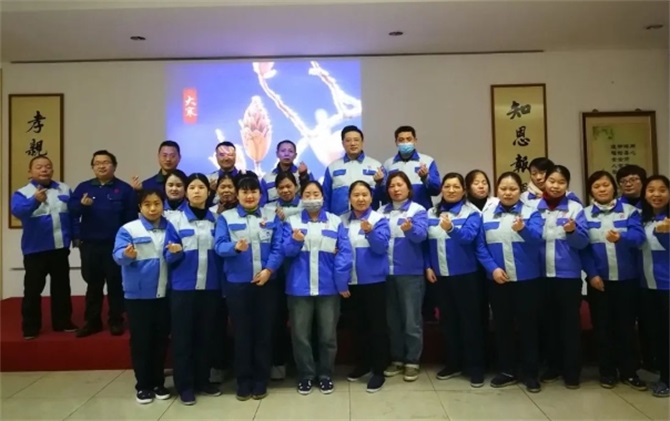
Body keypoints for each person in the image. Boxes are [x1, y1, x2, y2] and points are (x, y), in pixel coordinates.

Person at [215, 174, 284, 401]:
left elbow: (278, 247)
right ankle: (243, 380)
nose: (249, 195)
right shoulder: (226, 217)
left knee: (264, 333)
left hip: (266, 284)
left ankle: (261, 380)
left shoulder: (271, 215)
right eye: (244, 191)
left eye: (253, 191)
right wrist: (234, 247)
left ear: (261, 194)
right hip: (237, 285)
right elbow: (219, 246)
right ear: (237, 194)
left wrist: (269, 270)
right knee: (242, 334)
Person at [282, 180, 353, 395]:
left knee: (327, 336)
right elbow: (285, 252)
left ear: (323, 197)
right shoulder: (292, 221)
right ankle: (305, 375)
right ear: (301, 198)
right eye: (308, 194)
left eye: (316, 194)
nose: (312, 198)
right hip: (299, 288)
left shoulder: (334, 221)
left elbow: (344, 253)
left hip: (328, 288)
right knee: (300, 336)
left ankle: (325, 375)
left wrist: (341, 282)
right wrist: (295, 241)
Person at [476, 171, 544, 393]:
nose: (507, 193)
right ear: (497, 190)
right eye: (503, 189)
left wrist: (523, 229)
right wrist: (493, 269)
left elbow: (537, 240)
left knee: (528, 327)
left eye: (513, 189)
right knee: (502, 326)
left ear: (519, 191)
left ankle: (530, 373)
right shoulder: (486, 215)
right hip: (498, 281)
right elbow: (481, 247)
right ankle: (507, 370)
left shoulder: (531, 212)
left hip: (527, 280)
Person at [581, 170, 647, 390]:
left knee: (626, 328)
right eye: (597, 186)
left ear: (614, 188)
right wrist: (592, 275)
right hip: (599, 282)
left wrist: (622, 237)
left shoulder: (629, 211)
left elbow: (639, 238)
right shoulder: (585, 214)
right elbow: (584, 250)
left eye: (606, 185)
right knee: (602, 328)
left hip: (627, 280)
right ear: (591, 191)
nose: (602, 189)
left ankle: (629, 372)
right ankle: (607, 372)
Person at [164, 173, 223, 405]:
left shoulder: (217, 220)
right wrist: (174, 253)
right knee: (183, 338)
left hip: (210, 287)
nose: (197, 191)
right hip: (183, 288)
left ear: (209, 192)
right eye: (192, 188)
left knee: (206, 336)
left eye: (201, 187)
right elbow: (167, 256)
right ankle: (185, 386)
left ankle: (202, 380)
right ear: (186, 192)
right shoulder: (175, 220)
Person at [530, 165, 589, 389]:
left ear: (567, 185)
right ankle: (553, 366)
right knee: (548, 324)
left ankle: (572, 371)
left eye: (561, 182)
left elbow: (582, 243)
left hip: (567, 276)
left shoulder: (575, 207)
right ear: (544, 182)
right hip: (540, 275)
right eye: (552, 181)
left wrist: (572, 231)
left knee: (569, 325)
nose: (555, 186)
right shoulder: (533, 207)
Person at [112, 188, 171, 404]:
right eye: (147, 204)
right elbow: (118, 255)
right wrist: (126, 255)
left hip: (164, 293)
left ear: (163, 205)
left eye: (157, 204)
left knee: (161, 339)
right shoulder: (129, 229)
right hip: (138, 296)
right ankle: (143, 385)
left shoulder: (170, 227)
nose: (152, 208)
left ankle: (158, 382)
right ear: (140, 207)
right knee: (141, 341)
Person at [425, 173, 485, 387]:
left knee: (470, 323)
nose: (451, 190)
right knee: (448, 322)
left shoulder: (472, 213)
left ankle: (475, 367)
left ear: (464, 190)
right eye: (447, 186)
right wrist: (427, 266)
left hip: (465, 275)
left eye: (456, 187)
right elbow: (426, 243)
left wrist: (451, 229)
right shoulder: (431, 212)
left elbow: (468, 238)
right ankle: (453, 363)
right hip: (440, 276)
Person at [69, 150, 137, 338]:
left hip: (115, 245)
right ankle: (92, 322)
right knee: (93, 284)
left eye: (106, 162)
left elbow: (131, 219)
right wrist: (82, 206)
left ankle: (116, 320)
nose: (101, 166)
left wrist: (128, 243)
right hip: (90, 245)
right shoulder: (84, 187)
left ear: (114, 166)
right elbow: (72, 211)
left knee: (116, 284)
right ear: (92, 167)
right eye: (97, 163)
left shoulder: (124, 189)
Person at [11, 155, 78, 340]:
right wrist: (35, 200)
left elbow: (72, 215)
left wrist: (76, 236)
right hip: (35, 250)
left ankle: (63, 322)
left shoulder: (64, 188)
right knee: (33, 290)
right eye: (39, 167)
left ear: (52, 170)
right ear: (30, 172)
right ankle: (31, 327)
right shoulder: (22, 193)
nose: (44, 169)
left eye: (47, 166)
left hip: (59, 247)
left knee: (62, 288)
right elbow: (18, 212)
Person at [341, 180, 391, 392]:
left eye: (364, 195)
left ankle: (378, 370)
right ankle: (362, 364)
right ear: (349, 198)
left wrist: (370, 232)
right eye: (356, 195)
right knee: (357, 326)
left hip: (374, 281)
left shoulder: (379, 219)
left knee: (377, 327)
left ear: (371, 197)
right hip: (350, 282)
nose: (360, 199)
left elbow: (381, 248)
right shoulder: (342, 220)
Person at [380, 171, 428, 383]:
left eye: (400, 185)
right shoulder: (381, 211)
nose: (396, 189)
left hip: (410, 273)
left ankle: (412, 361)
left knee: (411, 320)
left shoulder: (418, 210)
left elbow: (421, 236)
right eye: (391, 185)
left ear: (409, 188)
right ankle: (397, 358)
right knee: (392, 320)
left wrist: (410, 230)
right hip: (386, 273)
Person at [263, 172, 303, 381]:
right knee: (277, 320)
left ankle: (302, 364)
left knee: (301, 322)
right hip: (277, 273)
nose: (286, 190)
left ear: (296, 187)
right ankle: (278, 362)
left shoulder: (306, 205)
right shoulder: (269, 210)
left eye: (289, 186)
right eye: (281, 187)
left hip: (300, 271)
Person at [639, 175, 670, 397]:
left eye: (662, 190)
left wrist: (666, 234)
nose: (656, 194)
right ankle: (664, 375)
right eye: (651, 190)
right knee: (657, 334)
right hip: (647, 286)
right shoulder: (643, 219)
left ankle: (667, 380)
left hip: (667, 286)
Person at [208, 172, 238, 384]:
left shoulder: (243, 211)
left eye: (230, 187)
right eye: (222, 187)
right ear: (216, 190)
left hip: (237, 275)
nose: (226, 190)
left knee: (240, 325)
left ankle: (239, 365)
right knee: (216, 324)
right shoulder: (208, 213)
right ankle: (218, 366)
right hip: (213, 274)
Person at [323, 125, 385, 216]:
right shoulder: (333, 167)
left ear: (362, 142)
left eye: (356, 140)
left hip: (369, 220)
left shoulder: (376, 166)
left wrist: (380, 183)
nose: (352, 143)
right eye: (348, 140)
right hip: (338, 220)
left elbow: (384, 197)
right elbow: (325, 198)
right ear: (343, 143)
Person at [382, 126, 440, 210]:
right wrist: (379, 183)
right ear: (396, 142)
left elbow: (436, 190)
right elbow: (384, 193)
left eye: (409, 139)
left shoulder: (427, 161)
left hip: (421, 211)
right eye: (401, 140)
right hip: (395, 212)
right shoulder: (388, 164)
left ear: (415, 140)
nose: (405, 143)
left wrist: (426, 178)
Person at [260, 139, 312, 204]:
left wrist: (304, 176)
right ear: (277, 154)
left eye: (290, 151)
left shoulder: (306, 173)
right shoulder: (267, 178)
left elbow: (312, 196)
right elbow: (262, 204)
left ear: (295, 155)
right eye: (283, 151)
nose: (286, 154)